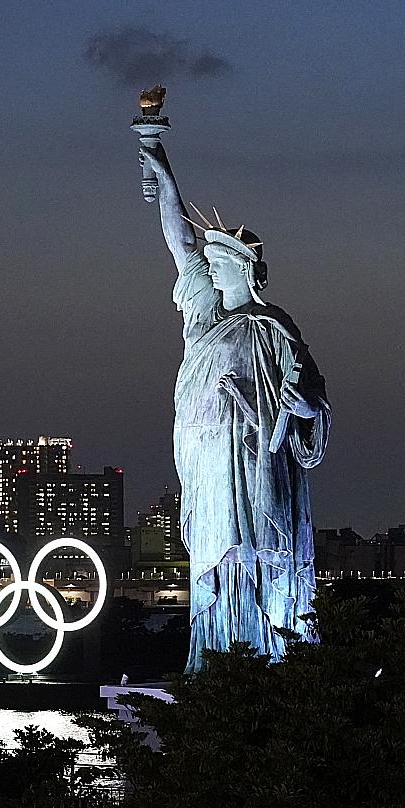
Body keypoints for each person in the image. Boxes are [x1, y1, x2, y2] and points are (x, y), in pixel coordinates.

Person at [139, 139, 330, 671]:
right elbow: (180, 244)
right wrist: (165, 178)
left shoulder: (275, 329)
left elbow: (313, 398)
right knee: (214, 560)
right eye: (212, 268)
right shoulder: (203, 315)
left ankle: (268, 655)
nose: (211, 274)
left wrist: (305, 410)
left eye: (221, 267)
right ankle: (216, 658)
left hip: (254, 461)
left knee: (258, 559)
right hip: (208, 465)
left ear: (246, 272)